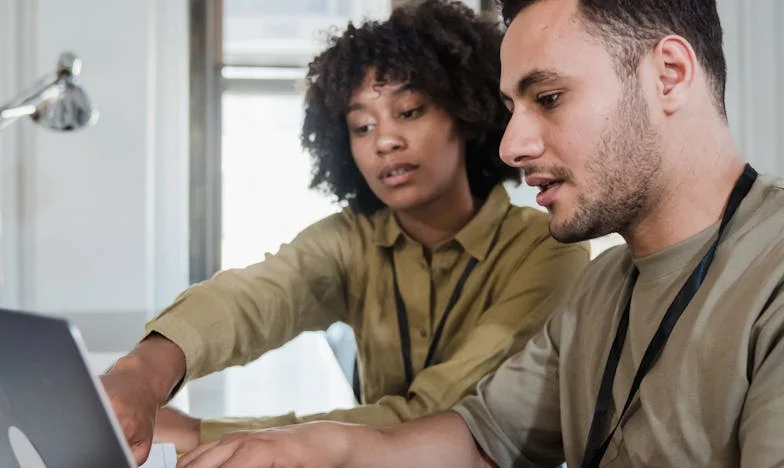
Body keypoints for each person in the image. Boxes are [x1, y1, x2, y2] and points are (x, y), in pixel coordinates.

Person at [169, 0, 784, 467]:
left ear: (670, 74)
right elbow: (481, 437)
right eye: (513, 107)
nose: (513, 145)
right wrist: (314, 447)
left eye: (548, 97)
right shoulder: (602, 286)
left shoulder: (770, 273)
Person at [101, 0, 590, 464]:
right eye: (361, 126)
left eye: (410, 111)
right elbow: (255, 297)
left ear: (466, 113)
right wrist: (142, 372)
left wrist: (199, 435)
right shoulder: (353, 238)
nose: (385, 141)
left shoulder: (546, 249)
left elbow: (442, 416)